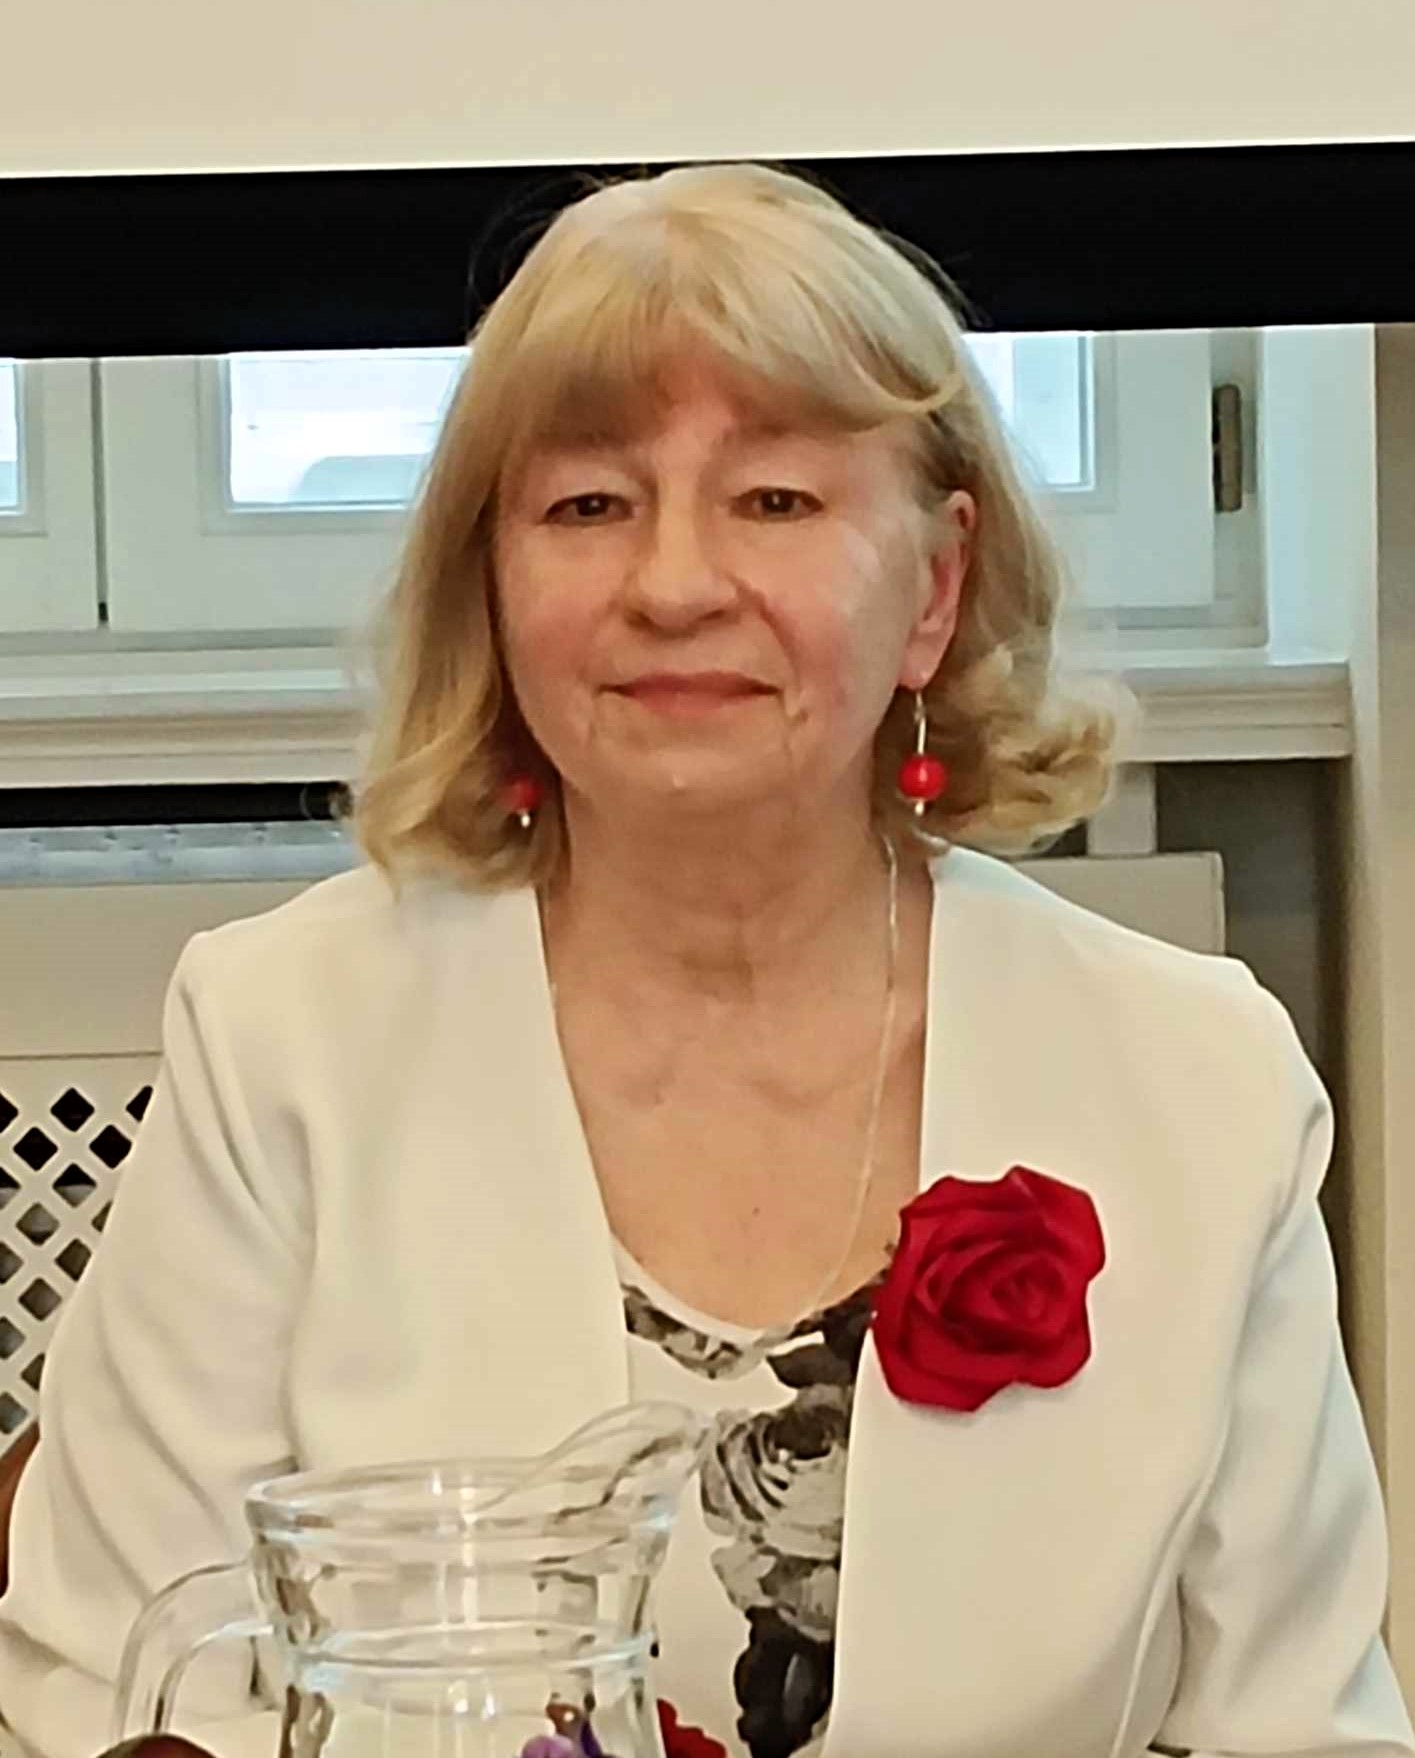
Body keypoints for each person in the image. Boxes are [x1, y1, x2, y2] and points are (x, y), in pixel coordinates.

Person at [0, 160, 1407, 1758]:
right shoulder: (281, 1041)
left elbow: (1307, 1726)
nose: (673, 584)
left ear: (934, 587)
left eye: (776, 501)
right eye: (587, 506)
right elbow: (96, 1691)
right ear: (493, 586)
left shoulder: (1200, 1081)